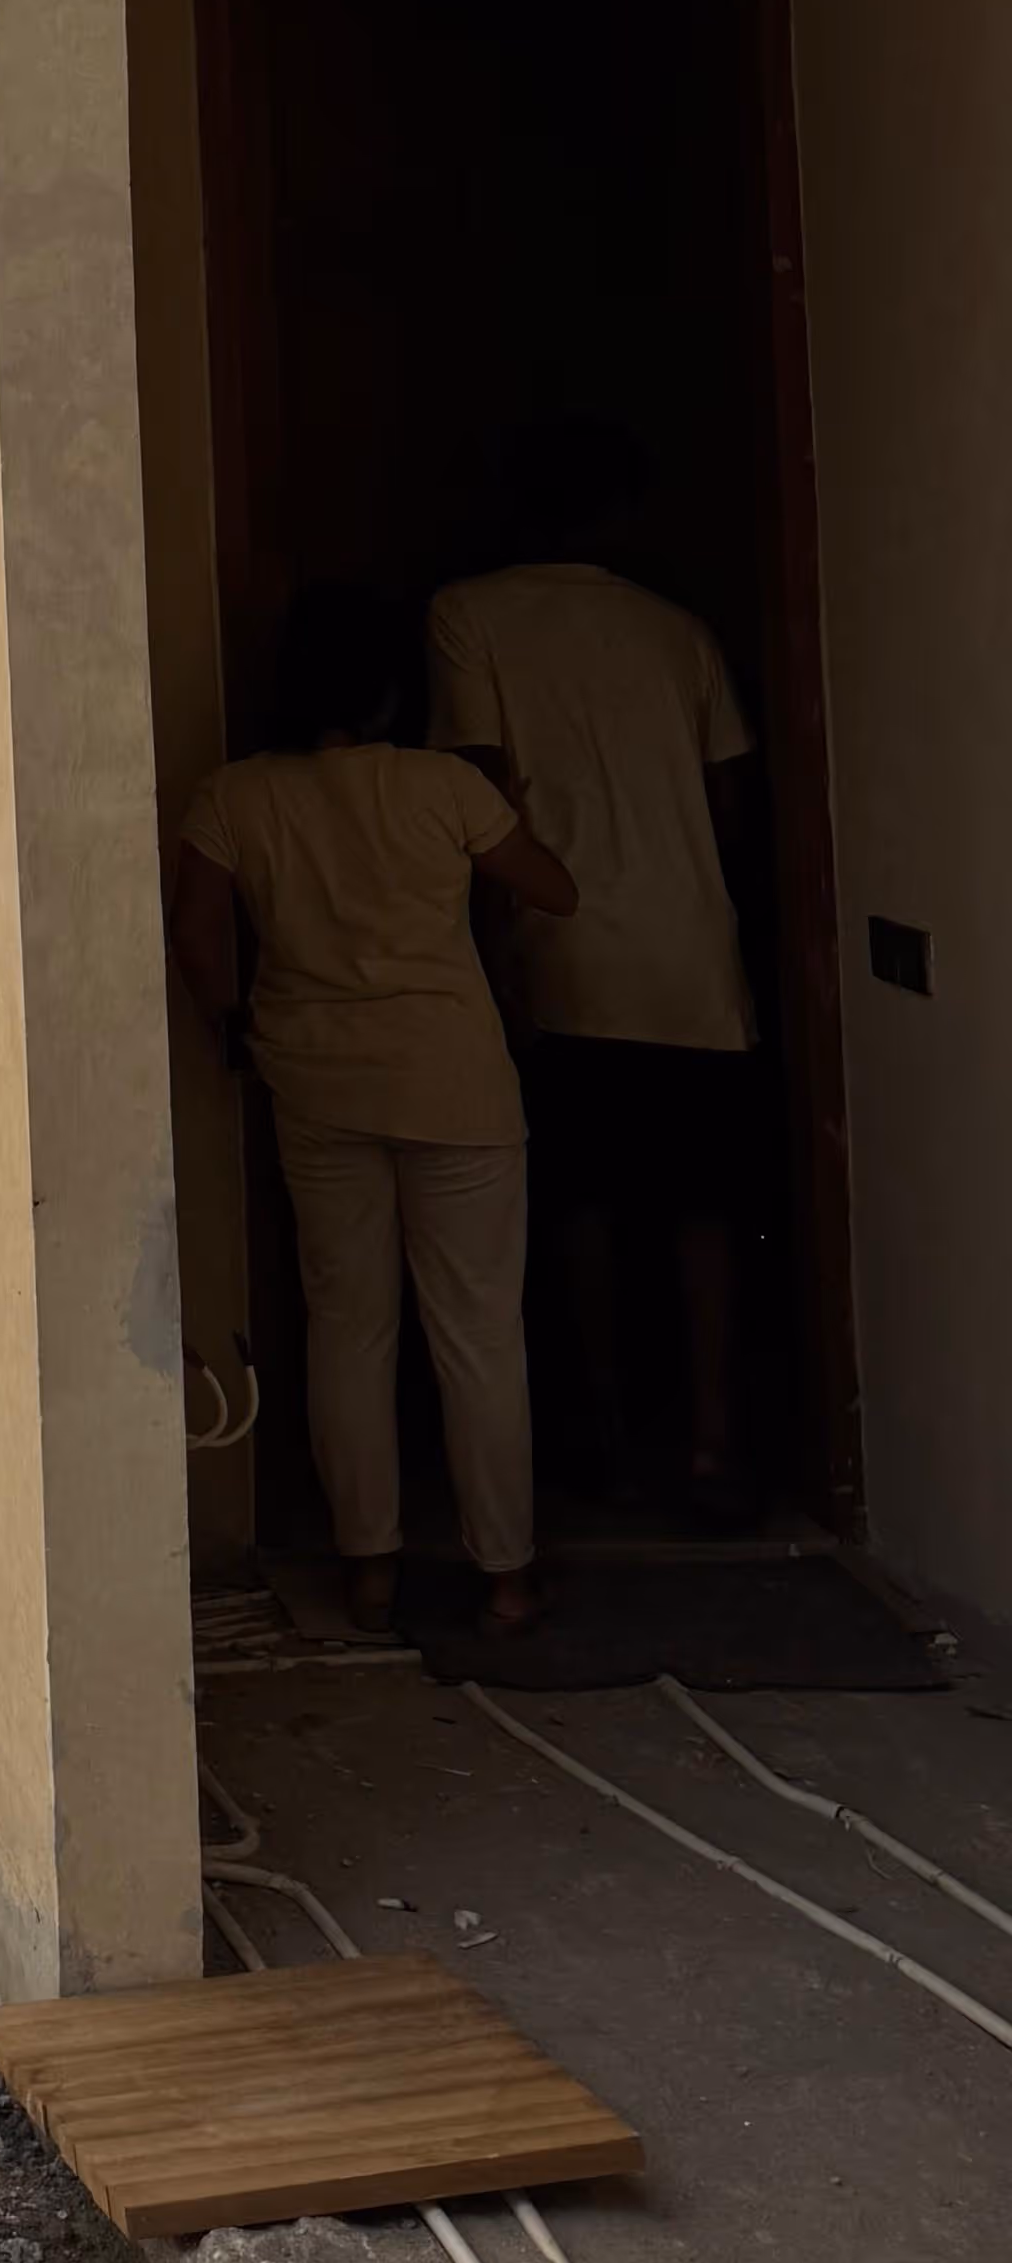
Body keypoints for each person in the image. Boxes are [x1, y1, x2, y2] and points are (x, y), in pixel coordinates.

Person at [170, 579, 576, 1636]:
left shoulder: (234, 796)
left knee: (348, 1325)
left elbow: (202, 938)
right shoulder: (443, 786)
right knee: (480, 1331)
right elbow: (554, 887)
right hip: (456, 1080)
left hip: (315, 1079)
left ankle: (371, 1568)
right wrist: (510, 802)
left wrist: (231, 1026)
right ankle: (507, 1574)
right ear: (395, 689)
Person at [431, 419, 764, 1523]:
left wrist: (488, 958)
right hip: (694, 960)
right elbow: (728, 804)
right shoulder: (683, 633)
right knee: (702, 1210)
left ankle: (610, 1443)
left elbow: (480, 799)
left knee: (580, 1210)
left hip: (563, 952)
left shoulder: (469, 615)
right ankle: (714, 1447)